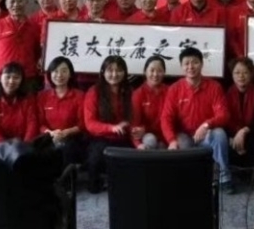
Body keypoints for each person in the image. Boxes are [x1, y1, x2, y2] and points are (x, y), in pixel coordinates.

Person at [161, 47, 233, 193]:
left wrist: (207, 125)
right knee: (180, 143)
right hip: (184, 135)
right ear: (181, 66)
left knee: (219, 134)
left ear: (201, 64)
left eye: (195, 62)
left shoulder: (214, 87)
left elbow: (224, 115)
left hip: (206, 135)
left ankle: (224, 177)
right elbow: (166, 117)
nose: (191, 67)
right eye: (186, 63)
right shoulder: (175, 89)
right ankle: (190, 180)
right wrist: (171, 140)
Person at [83, 55, 133, 193]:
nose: (114, 74)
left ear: (125, 72)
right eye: (110, 70)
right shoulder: (94, 92)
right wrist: (111, 128)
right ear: (103, 72)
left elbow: (135, 118)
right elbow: (90, 123)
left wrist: (131, 127)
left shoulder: (130, 91)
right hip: (101, 137)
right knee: (95, 158)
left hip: (124, 137)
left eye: (119, 70)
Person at [37, 57, 86, 166]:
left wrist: (65, 133)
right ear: (50, 74)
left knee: (67, 150)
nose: (59, 75)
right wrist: (51, 133)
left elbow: (82, 124)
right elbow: (40, 123)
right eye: (55, 71)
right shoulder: (42, 96)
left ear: (70, 74)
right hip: (48, 137)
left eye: (64, 71)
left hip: (72, 138)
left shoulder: (79, 95)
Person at [0, 62, 38, 143]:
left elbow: (32, 125)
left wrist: (25, 145)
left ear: (22, 80)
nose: (11, 81)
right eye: (8, 77)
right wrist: (7, 146)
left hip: (23, 145)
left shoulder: (28, 99)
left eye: (16, 78)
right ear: (0, 79)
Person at [225, 58, 254, 165]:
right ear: (232, 75)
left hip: (253, 131)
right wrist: (235, 135)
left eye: (245, 72)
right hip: (232, 133)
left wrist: (243, 131)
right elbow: (225, 118)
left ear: (251, 74)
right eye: (237, 73)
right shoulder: (226, 93)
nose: (241, 76)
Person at [131, 56, 169, 149]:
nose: (155, 74)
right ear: (145, 72)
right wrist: (138, 144)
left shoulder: (170, 91)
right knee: (150, 140)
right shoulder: (138, 94)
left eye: (159, 71)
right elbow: (134, 125)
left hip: (166, 134)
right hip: (147, 135)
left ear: (164, 73)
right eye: (152, 70)